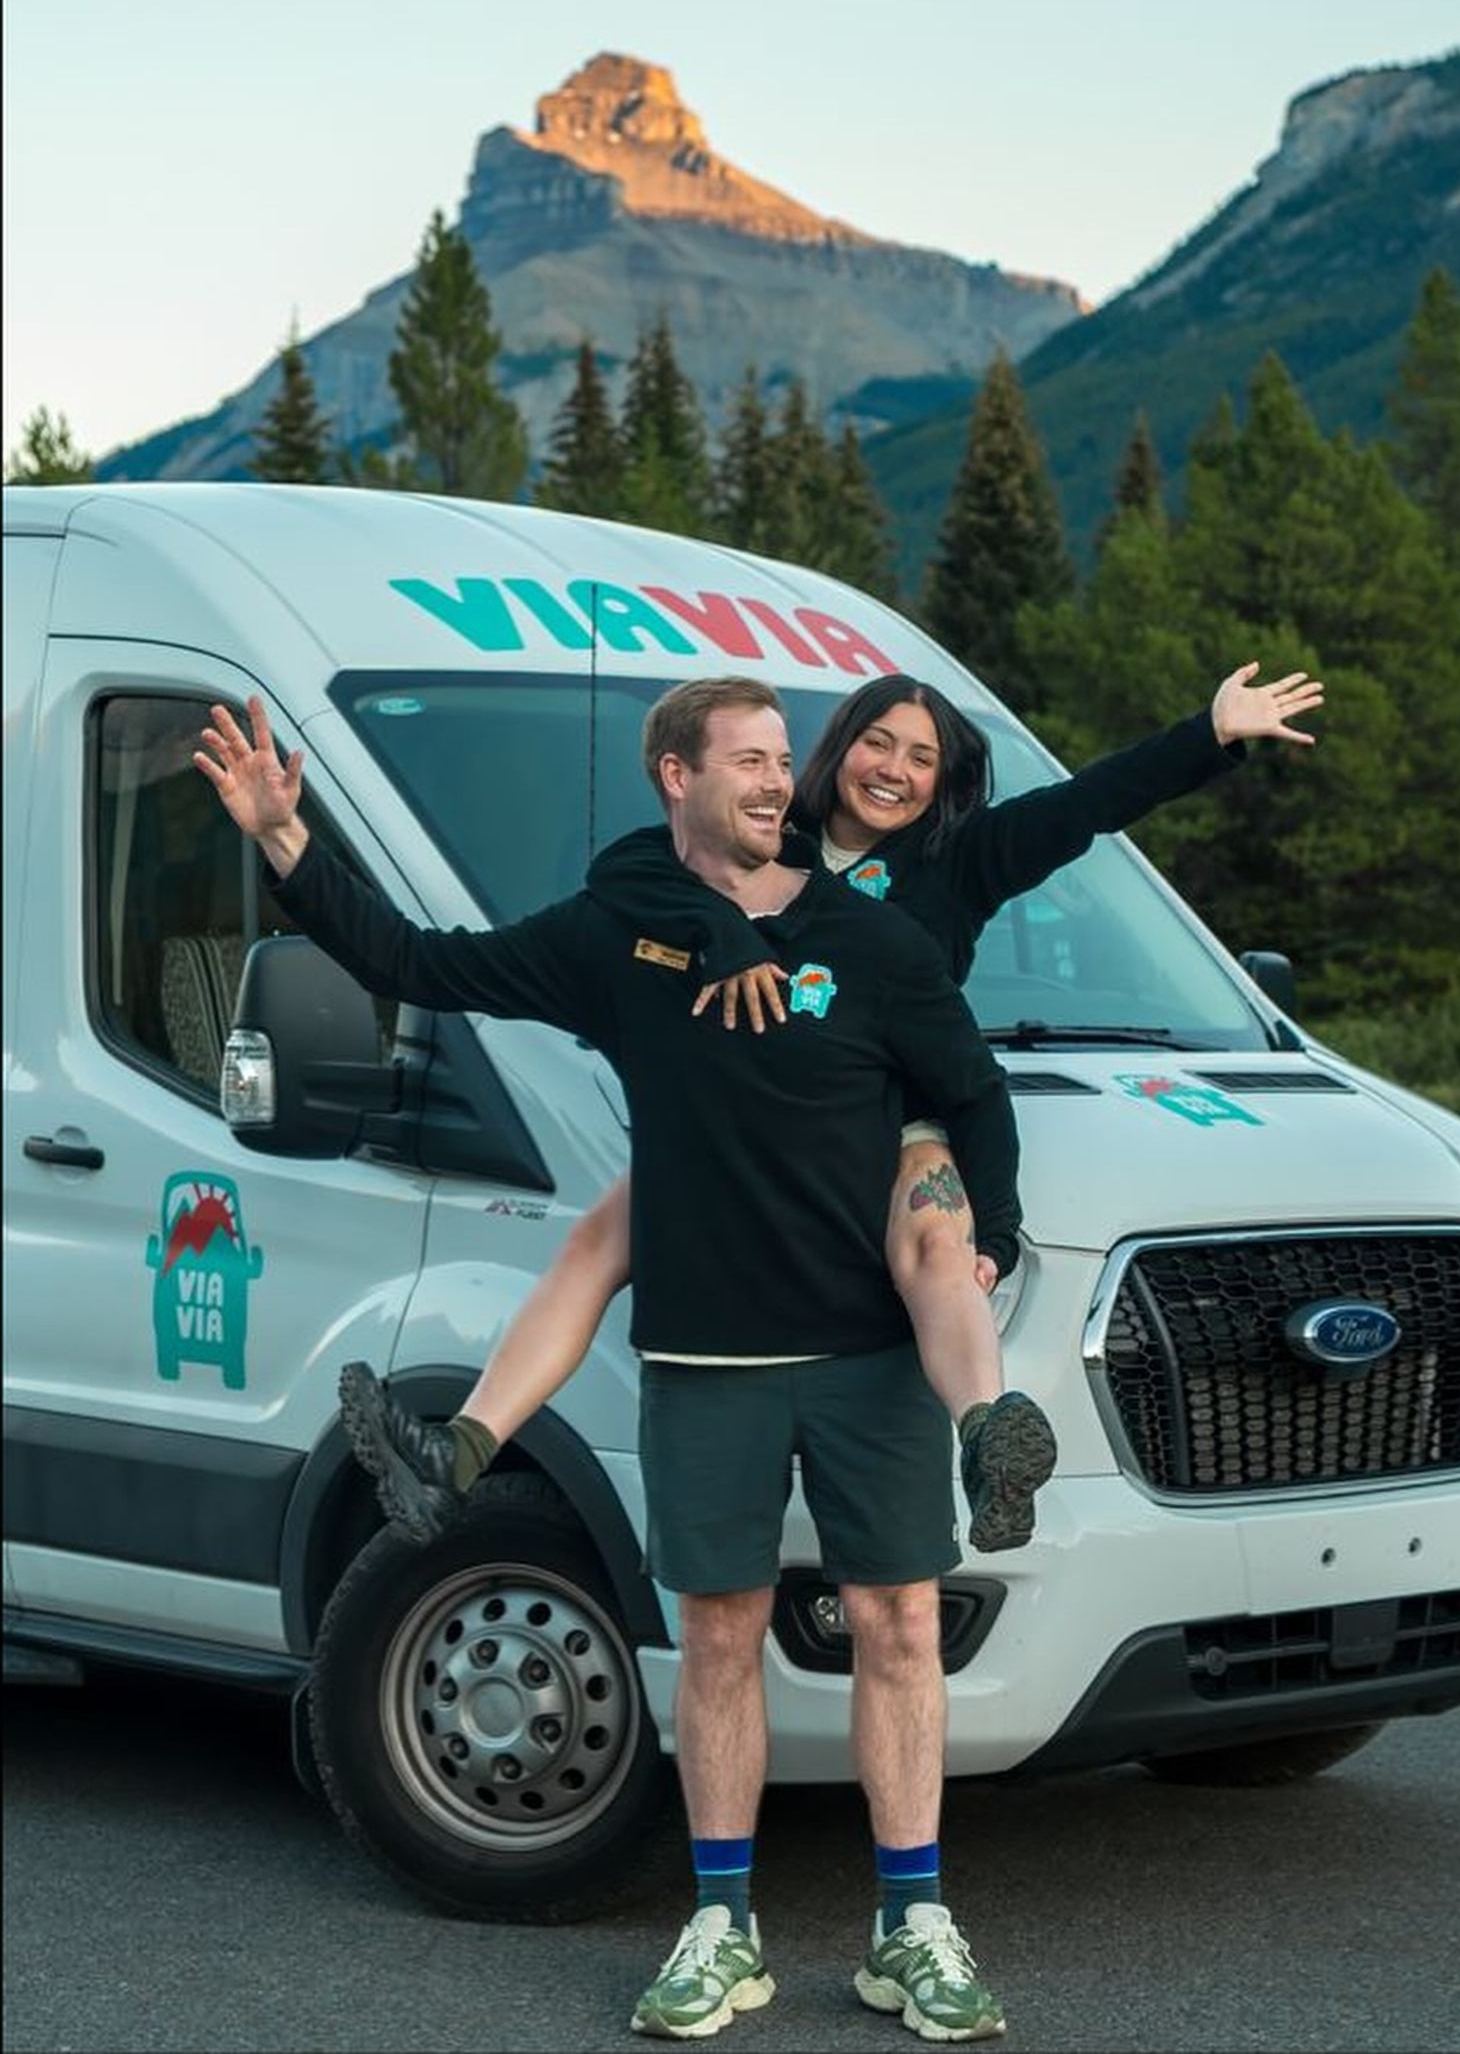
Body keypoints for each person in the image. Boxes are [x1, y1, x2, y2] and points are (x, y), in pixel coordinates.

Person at [195, 677, 1020, 2042]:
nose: (775, 784)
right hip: (708, 1351)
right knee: (717, 1640)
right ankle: (721, 1928)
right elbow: (416, 961)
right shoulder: (620, 933)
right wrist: (288, 842)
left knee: (901, 1626)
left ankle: (913, 1924)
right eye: (746, 763)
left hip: (872, 1353)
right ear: (674, 778)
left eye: (779, 763)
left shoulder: (873, 945)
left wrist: (990, 1238)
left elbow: (973, 1092)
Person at [339, 661, 1324, 1561]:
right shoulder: (773, 830)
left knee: (940, 1242)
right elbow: (633, 870)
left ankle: (990, 1437)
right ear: (838, 747)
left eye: (922, 756)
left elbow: (1092, 801)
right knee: (599, 1241)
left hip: (895, 1119)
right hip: (751, 1125)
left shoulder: (964, 862)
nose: (894, 768)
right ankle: (457, 1452)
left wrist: (1212, 732)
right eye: (878, 741)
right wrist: (716, 930)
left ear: (945, 781)